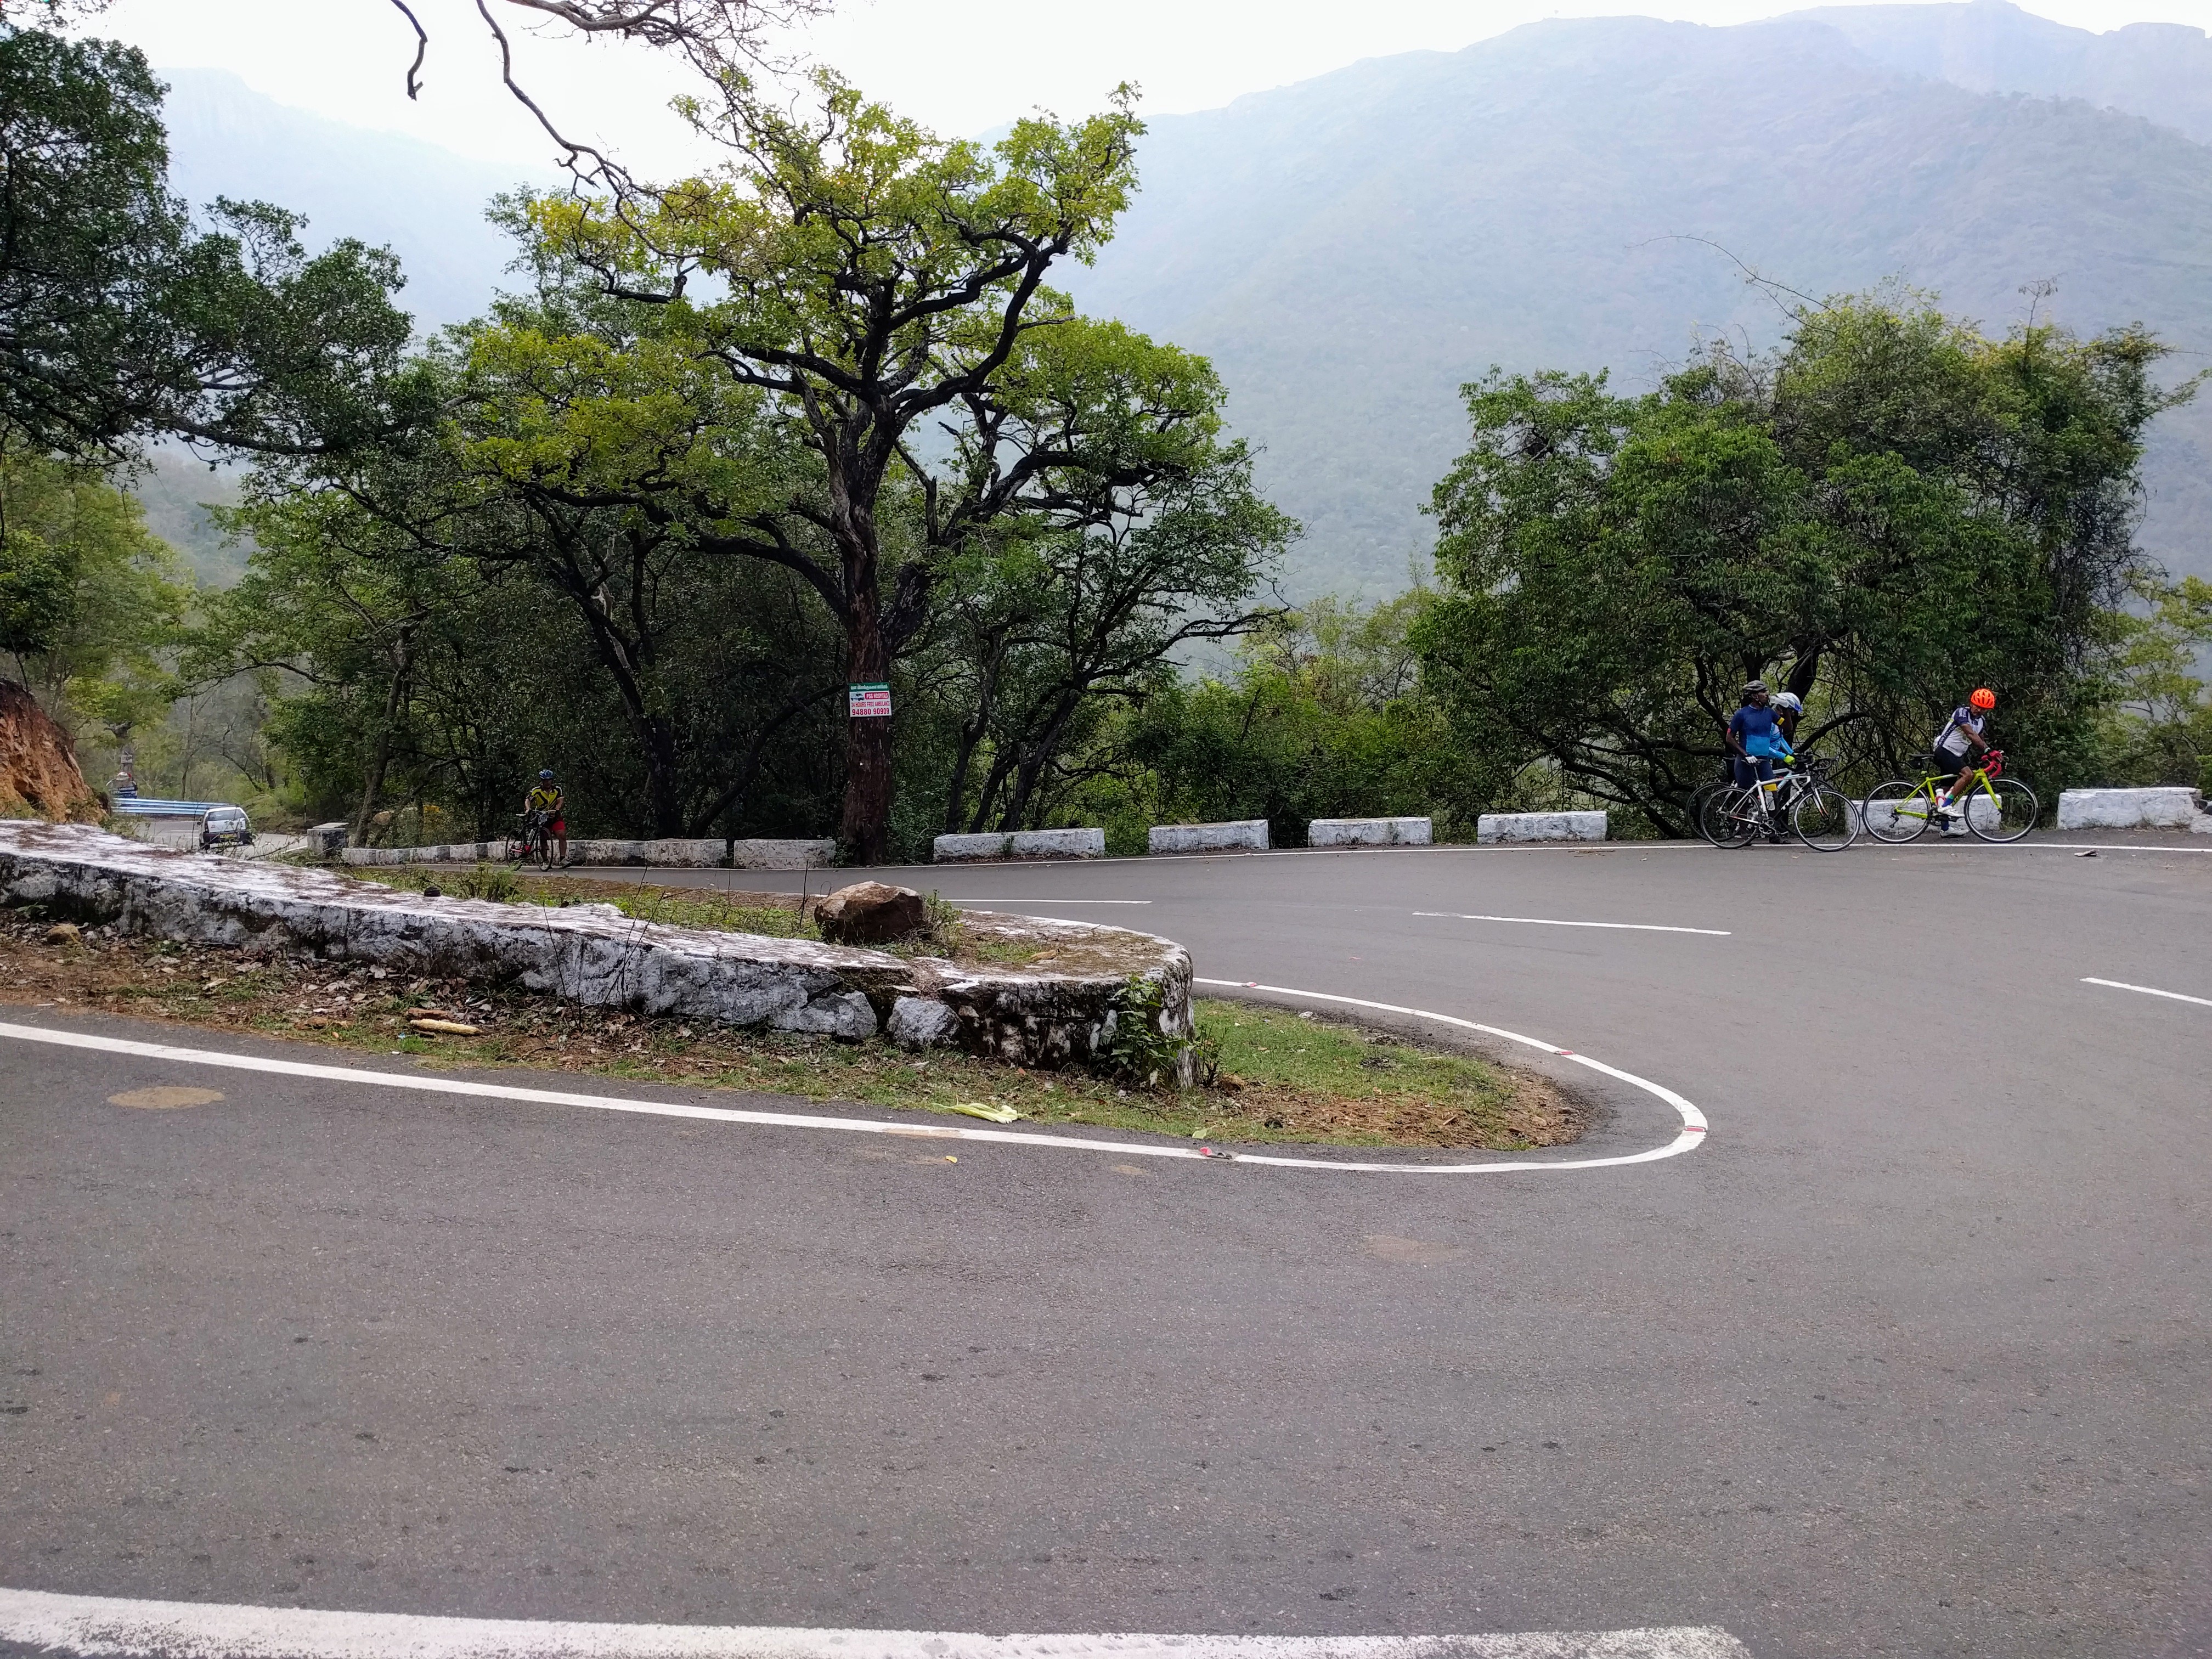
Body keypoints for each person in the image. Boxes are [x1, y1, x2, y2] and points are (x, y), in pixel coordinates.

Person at [1726, 680, 1795, 837]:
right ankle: (1743, 832)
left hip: (1763, 761)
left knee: (1773, 794)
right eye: (1764, 692)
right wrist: (1745, 755)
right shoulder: (1742, 714)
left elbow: (1788, 728)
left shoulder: (1770, 713)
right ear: (1755, 696)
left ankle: (1773, 833)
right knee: (1744, 794)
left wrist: (1787, 710)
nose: (1767, 695)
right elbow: (1729, 738)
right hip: (1745, 761)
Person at [1932, 689, 1996, 823]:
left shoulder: (1981, 722)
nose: (1979, 710)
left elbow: (1980, 741)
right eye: (1977, 706)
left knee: (1946, 790)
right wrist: (1988, 751)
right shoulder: (1961, 713)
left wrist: (1990, 755)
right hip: (1943, 750)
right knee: (1968, 774)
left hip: (1956, 755)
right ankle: (1945, 806)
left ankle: (1945, 828)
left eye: (1983, 709)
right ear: (1971, 703)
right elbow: (1971, 735)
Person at [524, 768, 568, 866]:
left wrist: (557, 809)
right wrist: (528, 809)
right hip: (542, 817)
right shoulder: (537, 790)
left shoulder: (557, 790)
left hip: (554, 816)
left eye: (549, 780)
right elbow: (528, 800)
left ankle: (563, 859)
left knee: (562, 834)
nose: (547, 782)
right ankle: (545, 861)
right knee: (543, 838)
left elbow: (560, 801)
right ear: (542, 781)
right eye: (545, 780)